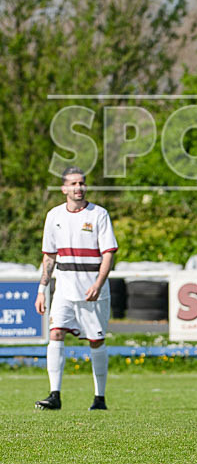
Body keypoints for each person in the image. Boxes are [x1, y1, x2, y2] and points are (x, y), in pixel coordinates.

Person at [34, 167, 118, 410]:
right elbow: (49, 257)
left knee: (96, 341)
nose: (78, 188)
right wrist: (42, 289)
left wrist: (98, 284)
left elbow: (108, 254)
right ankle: (54, 395)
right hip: (64, 290)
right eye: (73, 184)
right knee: (56, 333)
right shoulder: (54, 216)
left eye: (81, 183)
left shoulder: (99, 214)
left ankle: (99, 398)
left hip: (93, 292)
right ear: (64, 189)